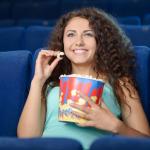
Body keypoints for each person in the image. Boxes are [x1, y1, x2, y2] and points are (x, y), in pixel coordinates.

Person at [17, 7, 150, 150]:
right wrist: (38, 80)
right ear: (62, 42)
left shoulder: (120, 84)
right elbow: (26, 138)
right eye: (70, 35)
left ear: (101, 41)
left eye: (88, 34)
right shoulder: (49, 85)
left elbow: (145, 142)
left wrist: (116, 126)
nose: (78, 42)